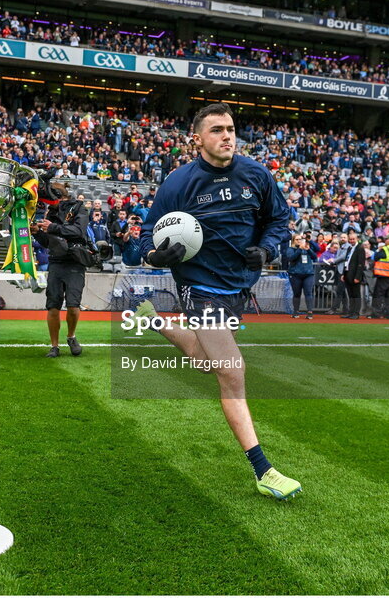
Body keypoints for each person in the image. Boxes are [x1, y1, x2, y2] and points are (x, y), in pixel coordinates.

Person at [137, 102, 299, 501]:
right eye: (217, 130)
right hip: (199, 284)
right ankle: (264, 469)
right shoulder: (178, 183)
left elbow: (279, 221)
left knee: (205, 361)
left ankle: (153, 320)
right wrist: (154, 255)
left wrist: (265, 249)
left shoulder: (257, 175)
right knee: (231, 370)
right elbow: (144, 235)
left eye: (230, 128)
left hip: (239, 285)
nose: (227, 135)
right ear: (198, 139)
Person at [33, 180, 89, 358]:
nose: (47, 203)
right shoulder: (51, 212)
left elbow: (78, 231)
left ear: (59, 197)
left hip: (75, 261)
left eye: (49, 199)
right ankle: (54, 346)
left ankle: (71, 336)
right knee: (53, 306)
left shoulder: (79, 208)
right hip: (56, 261)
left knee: (73, 306)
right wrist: (38, 233)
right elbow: (49, 241)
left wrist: (52, 227)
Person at [285, 233, 317, 319]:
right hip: (295, 274)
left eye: (300, 239)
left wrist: (309, 249)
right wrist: (299, 249)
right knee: (297, 294)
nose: (299, 241)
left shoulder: (307, 248)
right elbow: (291, 258)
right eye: (297, 239)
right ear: (293, 241)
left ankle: (310, 312)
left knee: (308, 293)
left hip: (308, 274)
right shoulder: (290, 249)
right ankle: (296, 312)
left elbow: (315, 257)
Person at [341, 230, 365, 319]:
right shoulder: (350, 248)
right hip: (348, 274)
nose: (351, 241)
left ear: (357, 239)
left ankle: (356, 313)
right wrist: (343, 274)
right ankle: (351, 312)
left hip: (355, 276)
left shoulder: (360, 248)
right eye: (350, 239)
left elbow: (361, 264)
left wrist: (358, 277)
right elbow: (346, 261)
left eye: (353, 239)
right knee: (350, 295)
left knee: (356, 295)